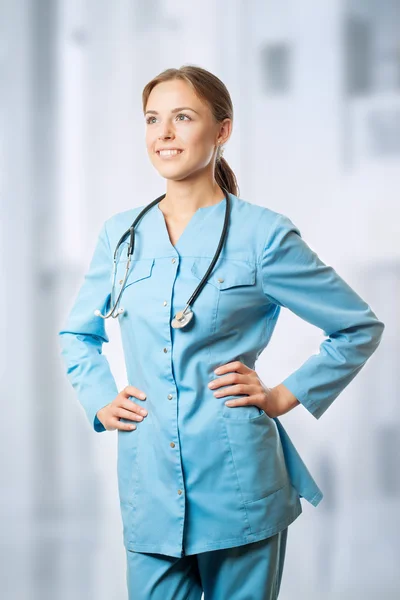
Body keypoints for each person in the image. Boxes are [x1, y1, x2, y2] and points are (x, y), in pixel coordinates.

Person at [58, 65, 385, 599]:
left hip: (238, 482)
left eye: (182, 117)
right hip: (150, 482)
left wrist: (282, 395)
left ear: (222, 131)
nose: (163, 133)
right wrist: (99, 398)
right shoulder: (121, 236)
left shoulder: (263, 235)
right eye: (152, 119)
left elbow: (355, 326)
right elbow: (78, 333)